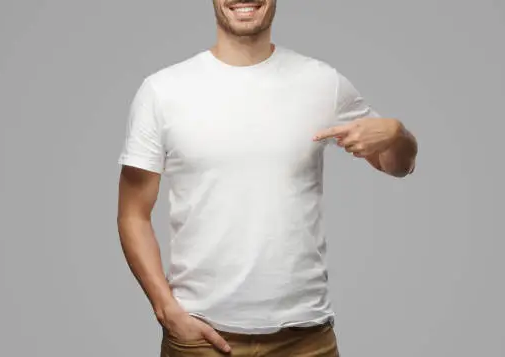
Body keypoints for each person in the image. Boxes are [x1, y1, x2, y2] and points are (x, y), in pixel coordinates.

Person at [116, 1, 418, 356]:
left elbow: (397, 164)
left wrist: (397, 134)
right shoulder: (162, 92)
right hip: (200, 340)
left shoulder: (322, 82)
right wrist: (166, 309)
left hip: (305, 340)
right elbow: (132, 213)